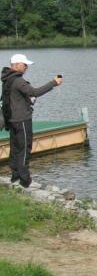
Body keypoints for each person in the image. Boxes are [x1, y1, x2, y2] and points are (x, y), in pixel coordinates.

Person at [1, 54, 63, 188]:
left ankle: (15, 176)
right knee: (24, 148)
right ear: (16, 65)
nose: (26, 67)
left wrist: (27, 100)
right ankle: (25, 180)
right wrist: (53, 83)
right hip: (22, 119)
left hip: (12, 119)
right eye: (24, 64)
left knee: (15, 148)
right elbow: (35, 92)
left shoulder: (7, 79)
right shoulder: (18, 80)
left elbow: (14, 97)